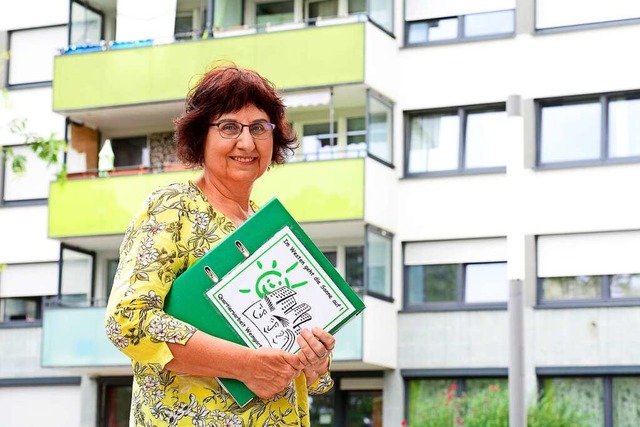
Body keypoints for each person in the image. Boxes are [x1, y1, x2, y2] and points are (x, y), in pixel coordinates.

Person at [105, 65, 335, 426]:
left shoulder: (271, 229)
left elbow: (291, 356)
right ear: (201, 137)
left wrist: (315, 362)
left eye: (259, 128)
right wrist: (246, 365)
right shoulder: (174, 207)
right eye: (229, 127)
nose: (247, 143)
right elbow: (129, 321)